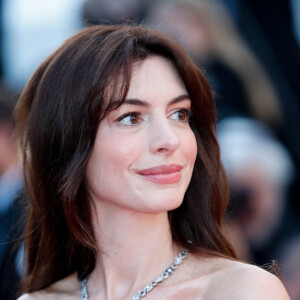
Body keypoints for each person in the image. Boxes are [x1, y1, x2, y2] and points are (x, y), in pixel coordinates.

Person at [15, 24, 289, 300]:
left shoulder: (241, 291)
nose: (169, 140)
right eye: (131, 117)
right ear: (67, 141)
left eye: (180, 114)